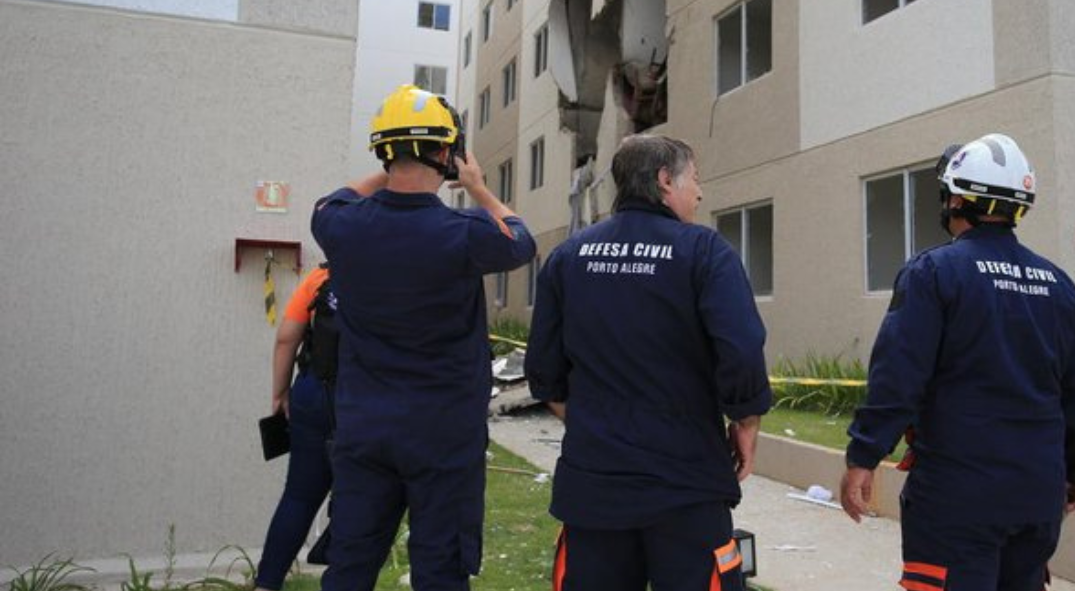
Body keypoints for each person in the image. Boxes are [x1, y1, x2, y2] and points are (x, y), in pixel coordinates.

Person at [840, 133, 1075, 591]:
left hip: (958, 496)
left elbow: (899, 375)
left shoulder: (934, 273)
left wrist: (863, 456)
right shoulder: (1060, 285)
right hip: (1037, 495)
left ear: (958, 198)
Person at [312, 85, 536, 591]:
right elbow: (520, 240)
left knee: (350, 565)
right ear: (447, 154)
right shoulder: (466, 229)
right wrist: (477, 186)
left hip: (364, 426)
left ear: (383, 152)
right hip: (443, 432)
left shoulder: (341, 226)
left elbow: (335, 198)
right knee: (439, 568)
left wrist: (394, 160)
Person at [526, 134, 772, 591]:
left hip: (594, 487)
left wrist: (590, 423)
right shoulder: (704, 251)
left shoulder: (568, 257)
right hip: (686, 486)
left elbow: (543, 371)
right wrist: (746, 422)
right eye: (694, 180)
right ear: (664, 181)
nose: (699, 193)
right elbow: (740, 348)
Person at [254, 265, 336, 591]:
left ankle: (266, 584)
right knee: (361, 503)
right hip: (365, 404)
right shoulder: (391, 274)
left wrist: (279, 392)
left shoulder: (322, 278)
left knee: (299, 497)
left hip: (313, 394)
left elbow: (286, 338)